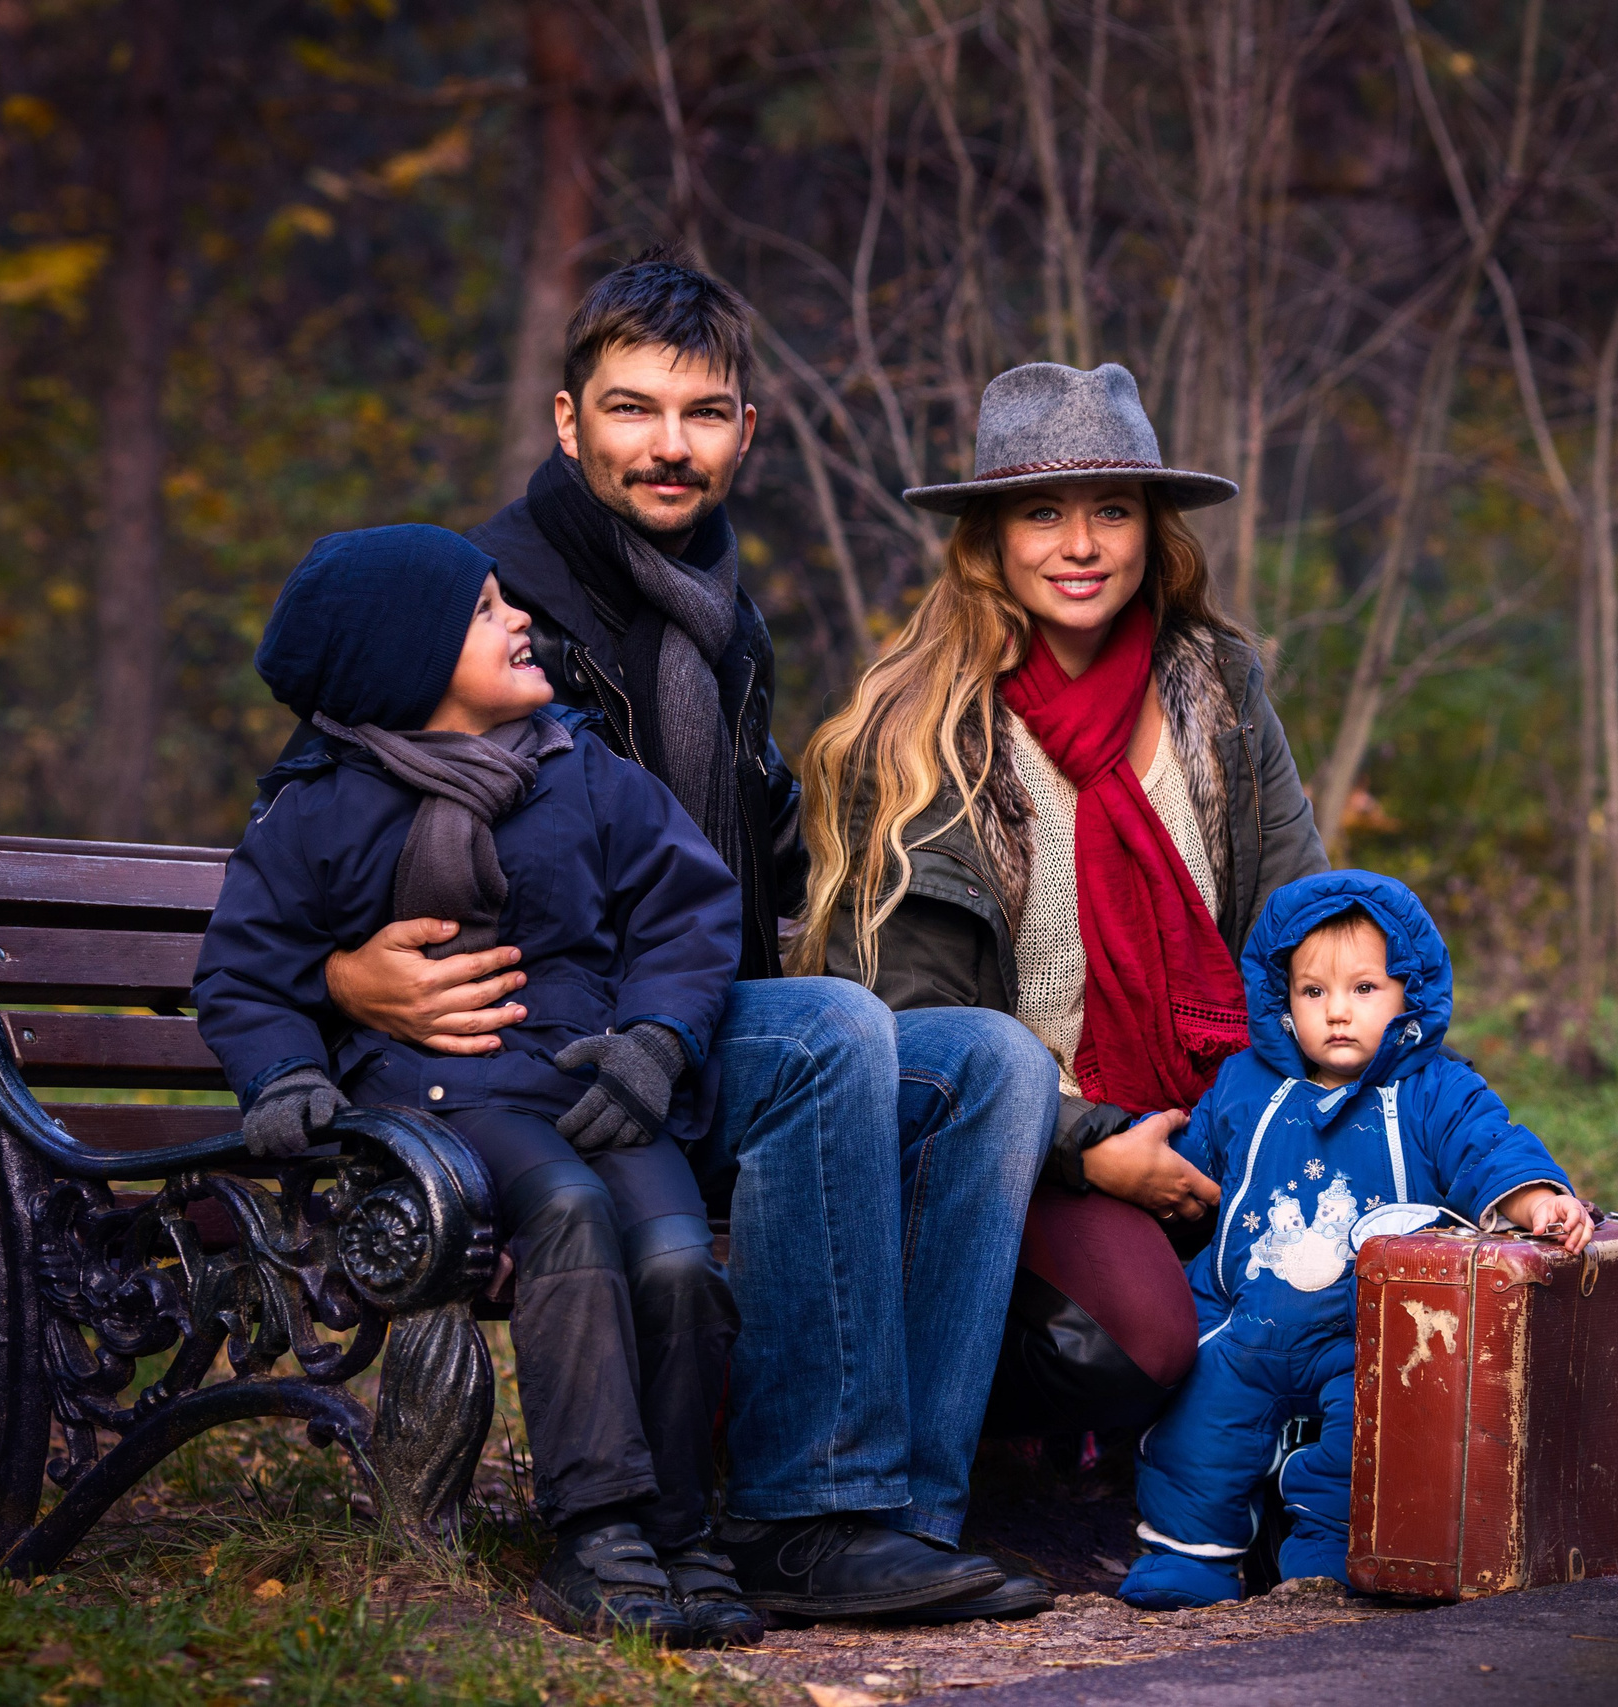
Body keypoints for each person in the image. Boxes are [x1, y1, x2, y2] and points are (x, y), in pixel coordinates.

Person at [292, 254, 1051, 1624]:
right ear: (567, 420)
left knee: (992, 1061)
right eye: (631, 408)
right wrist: (335, 976)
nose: (669, 445)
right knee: (828, 1033)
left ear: (744, 431)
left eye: (702, 414)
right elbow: (307, 804)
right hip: (548, 1056)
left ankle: (895, 1512)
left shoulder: (718, 609)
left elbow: (735, 860)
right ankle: (800, 1510)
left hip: (676, 1033)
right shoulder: (486, 597)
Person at [194, 524, 761, 1645]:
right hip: (443, 1107)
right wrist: (285, 1072)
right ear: (402, 658)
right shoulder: (321, 808)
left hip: (594, 1088)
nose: (521, 620)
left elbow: (688, 914)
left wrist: (655, 1041)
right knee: (569, 1210)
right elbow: (245, 971)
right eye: (486, 609)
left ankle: (681, 1532)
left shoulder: (584, 772)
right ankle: (596, 1528)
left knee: (677, 1257)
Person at [793, 360, 1328, 1437]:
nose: (1080, 545)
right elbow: (912, 1032)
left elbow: (1304, 927)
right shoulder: (919, 736)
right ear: (989, 538)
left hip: (1221, 1115)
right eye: (1043, 512)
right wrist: (1089, 1145)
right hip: (1023, 1143)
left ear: (1153, 532)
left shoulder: (1221, 694)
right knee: (1138, 1344)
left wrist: (1314, 1116)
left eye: (1111, 511)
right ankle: (997, 1437)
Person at [1115, 870, 1590, 1610]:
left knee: (1370, 1443)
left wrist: (1537, 1200)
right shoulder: (1244, 1085)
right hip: (1245, 1321)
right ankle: (1189, 1557)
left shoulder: (1435, 1090)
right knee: (1198, 1432)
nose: (1337, 1011)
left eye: (1364, 988)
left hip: (1369, 1337)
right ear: (1281, 1000)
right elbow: (1189, 1175)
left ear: (1409, 994)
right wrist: (1150, 1166)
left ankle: (1324, 1561)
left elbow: (1488, 1148)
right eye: (1314, 992)